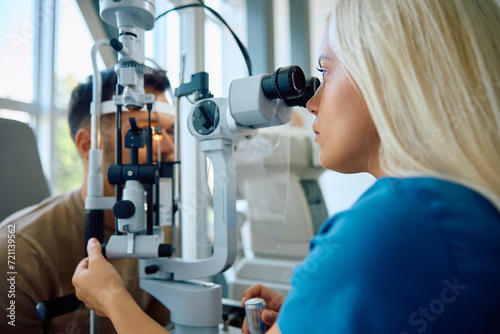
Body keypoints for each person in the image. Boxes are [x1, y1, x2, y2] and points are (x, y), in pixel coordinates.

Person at [72, 0, 500, 333]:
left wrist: (112, 299)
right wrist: (314, 312)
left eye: (325, 72)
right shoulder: (462, 205)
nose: (311, 103)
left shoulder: (389, 224)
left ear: (385, 77)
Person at [0, 67, 175, 333]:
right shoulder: (17, 252)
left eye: (170, 131)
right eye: (146, 131)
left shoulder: (162, 229)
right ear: (87, 145)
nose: (168, 148)